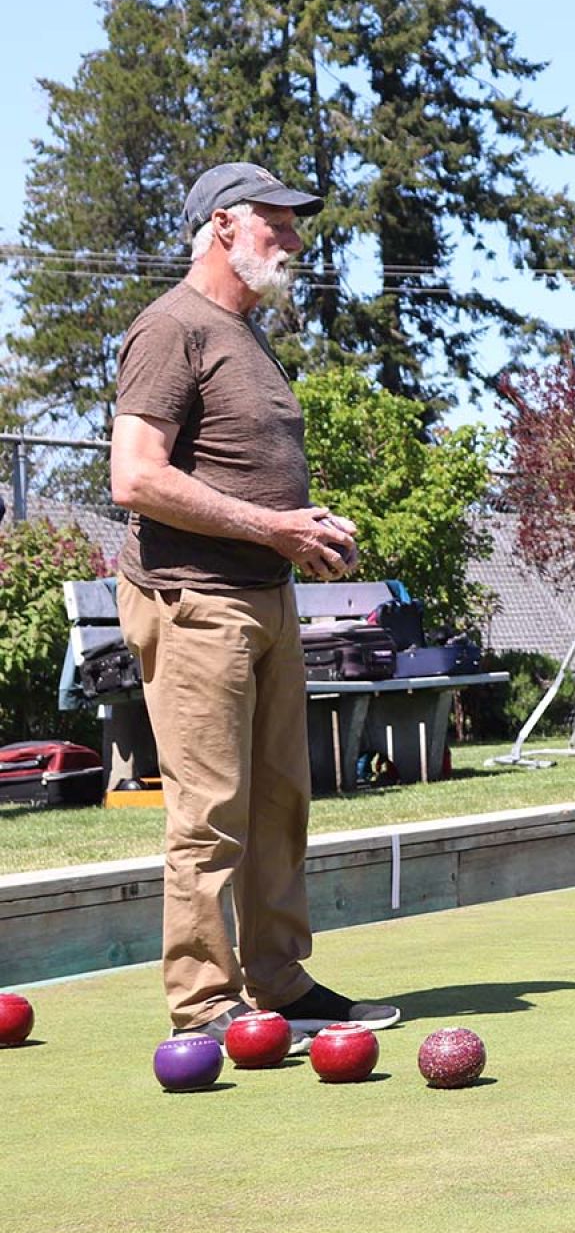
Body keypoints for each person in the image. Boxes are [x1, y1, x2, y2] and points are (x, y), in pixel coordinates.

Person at [109, 162, 399, 1044]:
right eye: (279, 223)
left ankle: (279, 981)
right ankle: (204, 1006)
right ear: (225, 226)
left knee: (280, 804)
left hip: (265, 600)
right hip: (195, 601)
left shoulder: (243, 332)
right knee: (210, 812)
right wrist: (274, 527)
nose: (297, 241)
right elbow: (136, 477)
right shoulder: (172, 328)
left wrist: (301, 532)